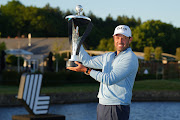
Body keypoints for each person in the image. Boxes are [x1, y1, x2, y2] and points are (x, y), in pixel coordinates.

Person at [66, 25, 139, 120]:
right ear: (114, 38)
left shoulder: (130, 58)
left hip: (117, 107)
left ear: (130, 40)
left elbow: (110, 79)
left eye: (124, 38)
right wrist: (78, 41)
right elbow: (88, 61)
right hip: (102, 105)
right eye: (117, 37)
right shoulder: (109, 56)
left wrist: (87, 70)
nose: (120, 41)